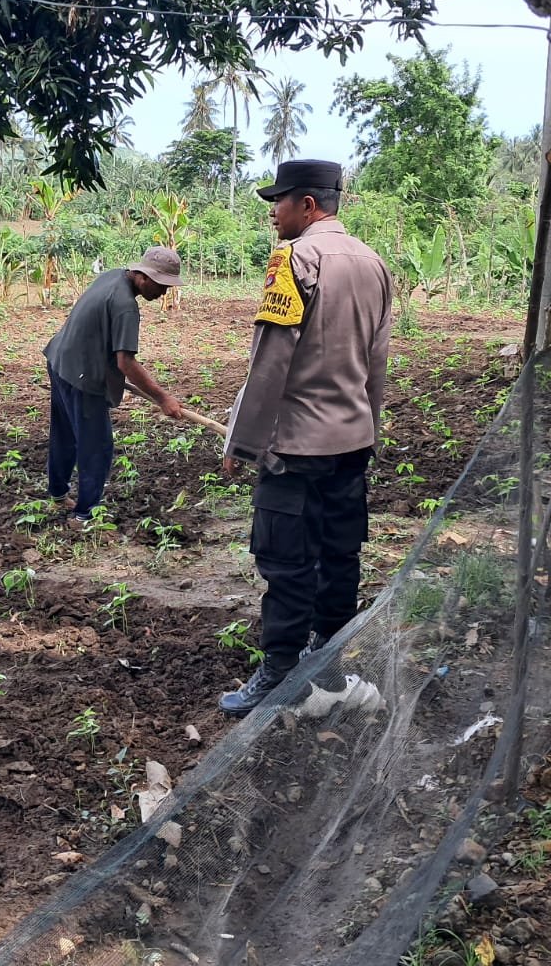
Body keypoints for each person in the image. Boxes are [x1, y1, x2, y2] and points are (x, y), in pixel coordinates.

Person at [218, 159, 393, 715]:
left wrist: (241, 442)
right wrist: (371, 425)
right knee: (340, 555)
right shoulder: (373, 262)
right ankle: (332, 665)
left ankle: (278, 673)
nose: (274, 212)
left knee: (287, 560)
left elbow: (271, 359)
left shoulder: (294, 259)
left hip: (297, 446)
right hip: (351, 440)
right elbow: (377, 362)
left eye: (281, 201)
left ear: (309, 206)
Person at [44, 247, 185, 521]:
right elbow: (126, 363)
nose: (164, 293)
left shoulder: (111, 277)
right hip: (82, 376)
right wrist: (162, 397)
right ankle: (84, 515)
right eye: (162, 285)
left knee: (65, 435)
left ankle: (58, 496)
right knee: (97, 446)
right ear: (144, 277)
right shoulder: (126, 307)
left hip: (60, 360)